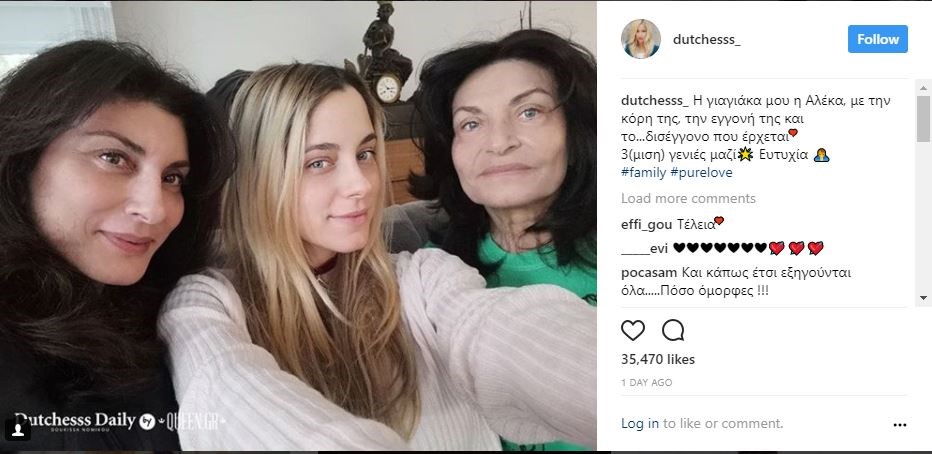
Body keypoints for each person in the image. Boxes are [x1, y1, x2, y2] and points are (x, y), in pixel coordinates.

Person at [158, 63, 595, 450]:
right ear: (258, 178)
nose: (362, 185)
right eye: (318, 162)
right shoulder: (205, 303)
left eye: (365, 154)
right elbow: (226, 391)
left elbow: (505, 333)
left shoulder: (423, 276)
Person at [0, 40, 235, 450]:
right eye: (113, 158)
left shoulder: (161, 304)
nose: (155, 210)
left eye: (171, 178)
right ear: (23, 161)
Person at [409, 29, 596, 449]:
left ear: (577, 132)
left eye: (529, 112)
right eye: (471, 124)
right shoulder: (430, 275)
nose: (499, 142)